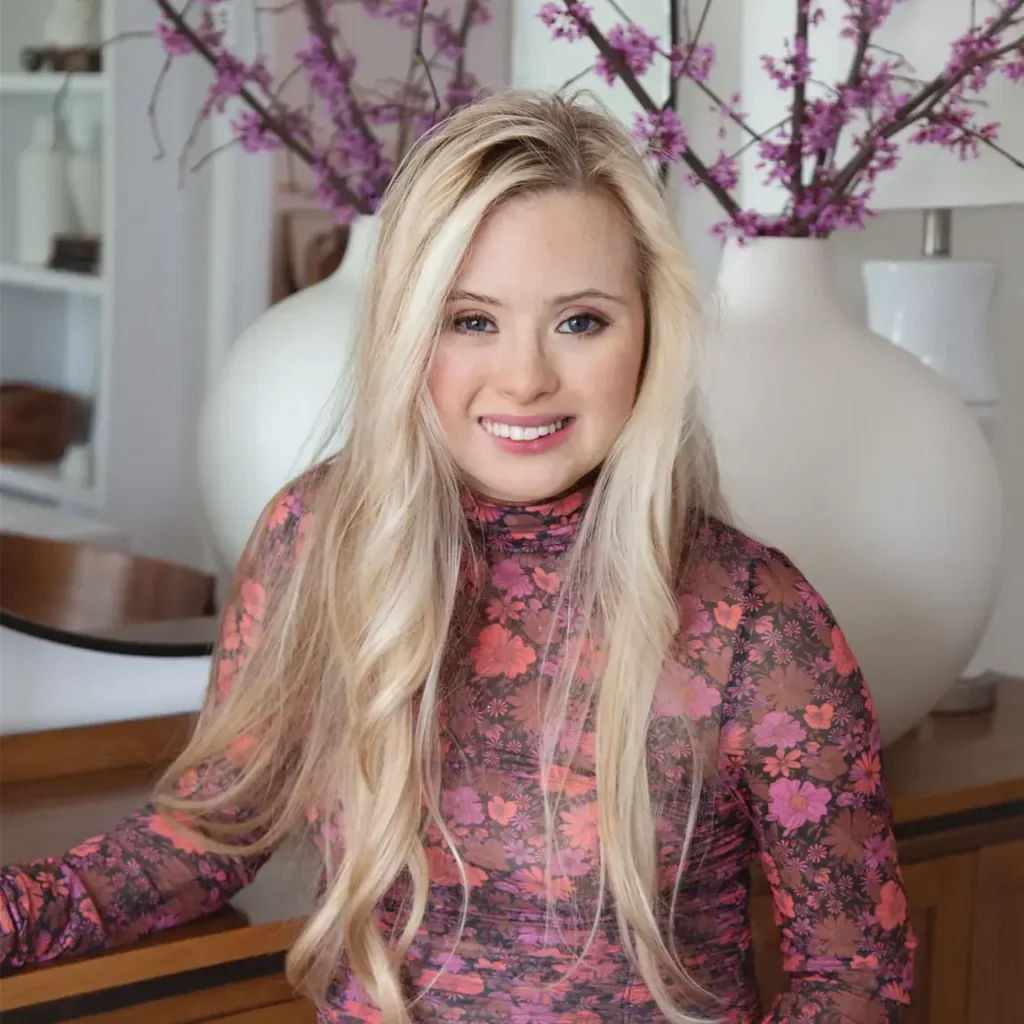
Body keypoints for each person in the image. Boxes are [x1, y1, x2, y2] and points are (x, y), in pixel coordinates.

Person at [0, 90, 915, 1023]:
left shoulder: (756, 616)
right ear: (407, 331)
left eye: (581, 321)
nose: (525, 378)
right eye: (471, 319)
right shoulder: (314, 540)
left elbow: (854, 984)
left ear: (650, 334)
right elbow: (208, 838)